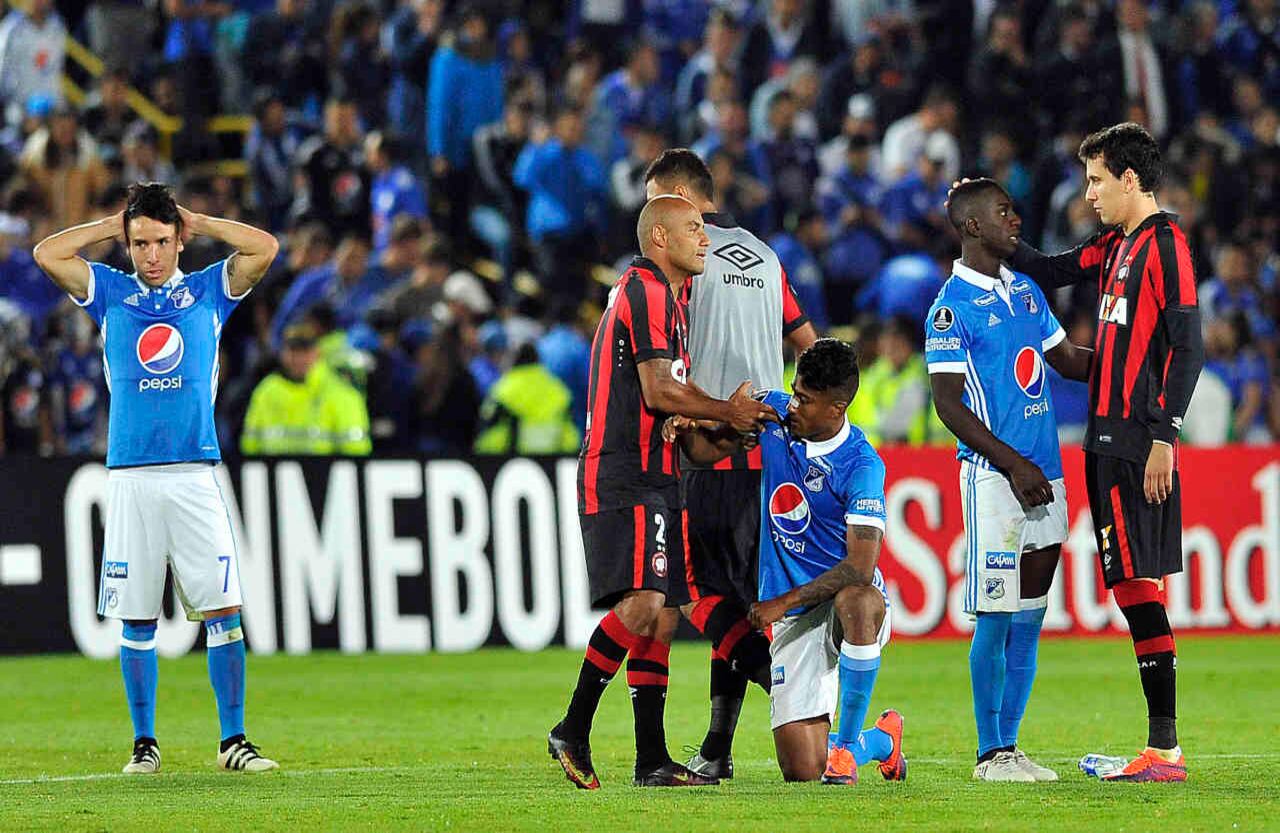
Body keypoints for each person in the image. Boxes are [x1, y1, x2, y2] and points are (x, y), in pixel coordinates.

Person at [31, 182, 280, 773]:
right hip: (131, 477)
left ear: (178, 241)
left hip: (195, 472)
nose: (148, 254)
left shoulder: (206, 291)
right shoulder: (111, 292)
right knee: (137, 614)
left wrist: (202, 220)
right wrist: (110, 226)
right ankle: (145, 744)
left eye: (160, 242)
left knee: (223, 610)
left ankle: (232, 742)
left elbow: (265, 247)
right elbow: (48, 253)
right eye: (139, 243)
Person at [547, 194, 779, 790]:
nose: (706, 240)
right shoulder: (644, 289)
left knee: (665, 616)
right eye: (695, 229)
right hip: (622, 472)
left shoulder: (675, 306)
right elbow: (657, 393)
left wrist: (737, 428)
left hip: (660, 475)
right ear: (659, 239)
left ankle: (651, 759)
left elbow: (689, 438)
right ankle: (573, 727)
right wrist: (722, 405)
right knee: (646, 605)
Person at [1002, 123, 1204, 782]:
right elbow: (1053, 268)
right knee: (1134, 584)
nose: (1088, 192)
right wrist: (988, 234)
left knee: (1135, 584)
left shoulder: (1166, 244)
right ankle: (1161, 746)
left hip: (1136, 442)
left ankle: (1165, 749)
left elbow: (1188, 345)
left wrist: (1166, 435)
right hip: (1105, 440)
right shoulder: (1115, 246)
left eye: (1096, 179)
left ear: (1129, 179)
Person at [642, 148, 817, 779]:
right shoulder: (767, 257)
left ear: (685, 198)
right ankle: (717, 749)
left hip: (710, 445)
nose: (651, 214)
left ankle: (813, 707)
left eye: (659, 199)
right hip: (770, 455)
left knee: (696, 595)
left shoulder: (685, 258)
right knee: (740, 600)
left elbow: (670, 353)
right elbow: (809, 345)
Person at [671, 338, 907, 786]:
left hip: (845, 604)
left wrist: (780, 602)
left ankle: (844, 749)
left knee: (858, 598)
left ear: (837, 408)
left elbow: (859, 566)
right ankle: (880, 741)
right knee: (801, 771)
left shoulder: (862, 466)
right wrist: (691, 422)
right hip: (797, 621)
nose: (793, 404)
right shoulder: (776, 417)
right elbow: (708, 446)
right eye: (794, 391)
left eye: (806, 399)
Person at [927, 179, 1092, 782]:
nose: (1015, 220)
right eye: (1003, 212)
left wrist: (1129, 365)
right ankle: (988, 752)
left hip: (1046, 472)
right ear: (972, 226)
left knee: (1030, 611)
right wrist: (1012, 464)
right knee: (995, 615)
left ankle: (1012, 747)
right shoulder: (951, 307)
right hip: (996, 481)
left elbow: (1066, 358)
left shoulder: (1025, 289)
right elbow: (948, 405)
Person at [240, 323, 372, 456]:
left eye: (305, 351)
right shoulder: (266, 391)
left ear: (317, 353)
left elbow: (357, 452)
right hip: (273, 475)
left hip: (323, 475)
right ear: (282, 353)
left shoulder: (342, 394)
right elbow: (249, 445)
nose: (299, 358)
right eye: (293, 351)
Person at [473, 342, 579, 455]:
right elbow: (571, 438)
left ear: (514, 360)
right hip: (554, 461)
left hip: (512, 464)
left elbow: (488, 437)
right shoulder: (560, 392)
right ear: (538, 360)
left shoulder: (501, 391)